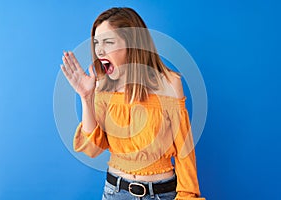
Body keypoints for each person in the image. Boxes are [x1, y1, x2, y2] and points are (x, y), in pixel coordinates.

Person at [61, 7, 205, 200]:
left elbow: (185, 152)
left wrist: (187, 196)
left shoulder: (170, 84)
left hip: (162, 194)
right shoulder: (102, 85)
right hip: (115, 192)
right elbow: (92, 150)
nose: (99, 50)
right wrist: (87, 97)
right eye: (96, 43)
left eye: (108, 42)